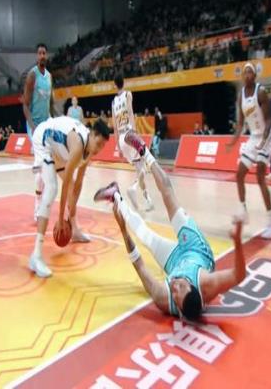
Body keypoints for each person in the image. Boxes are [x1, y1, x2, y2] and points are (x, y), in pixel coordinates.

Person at [94, 145, 246, 320]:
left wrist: (123, 229)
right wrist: (237, 242)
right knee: (169, 199)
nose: (174, 286)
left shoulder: (163, 298)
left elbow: (139, 265)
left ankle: (116, 197)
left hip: (175, 262)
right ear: (192, 286)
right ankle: (145, 152)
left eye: (175, 294)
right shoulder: (206, 285)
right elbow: (239, 275)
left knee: (145, 236)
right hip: (196, 249)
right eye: (180, 287)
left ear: (177, 308)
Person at [29, 117, 110, 277]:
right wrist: (60, 218)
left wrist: (70, 214)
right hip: (43, 140)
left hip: (57, 148)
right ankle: (36, 256)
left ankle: (75, 230)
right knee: (52, 188)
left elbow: (78, 183)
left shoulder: (89, 149)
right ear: (93, 134)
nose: (99, 149)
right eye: (99, 144)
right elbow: (65, 183)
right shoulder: (78, 145)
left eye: (102, 146)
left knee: (73, 186)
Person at [226, 63, 271, 239]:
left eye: (250, 72)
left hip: (266, 136)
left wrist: (264, 140)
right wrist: (233, 141)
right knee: (239, 174)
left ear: (255, 76)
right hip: (253, 137)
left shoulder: (261, 92)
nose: (247, 74)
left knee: (260, 177)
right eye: (245, 72)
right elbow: (240, 124)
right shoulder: (241, 96)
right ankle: (243, 212)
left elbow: (269, 120)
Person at [111, 74, 154, 211]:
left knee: (140, 168)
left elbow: (115, 126)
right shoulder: (128, 94)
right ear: (124, 82)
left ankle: (148, 200)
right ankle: (133, 188)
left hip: (121, 140)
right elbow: (130, 112)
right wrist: (134, 132)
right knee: (144, 166)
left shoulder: (113, 102)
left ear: (115, 85)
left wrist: (118, 147)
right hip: (130, 135)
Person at [23, 43, 55, 219]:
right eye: (39, 53)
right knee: (39, 164)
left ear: (47, 55)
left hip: (46, 123)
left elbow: (51, 103)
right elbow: (25, 105)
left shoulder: (49, 77)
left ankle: (44, 198)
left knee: (48, 164)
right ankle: (37, 205)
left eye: (44, 53)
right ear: (37, 56)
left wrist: (58, 121)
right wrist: (33, 127)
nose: (42, 56)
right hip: (34, 125)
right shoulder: (32, 75)